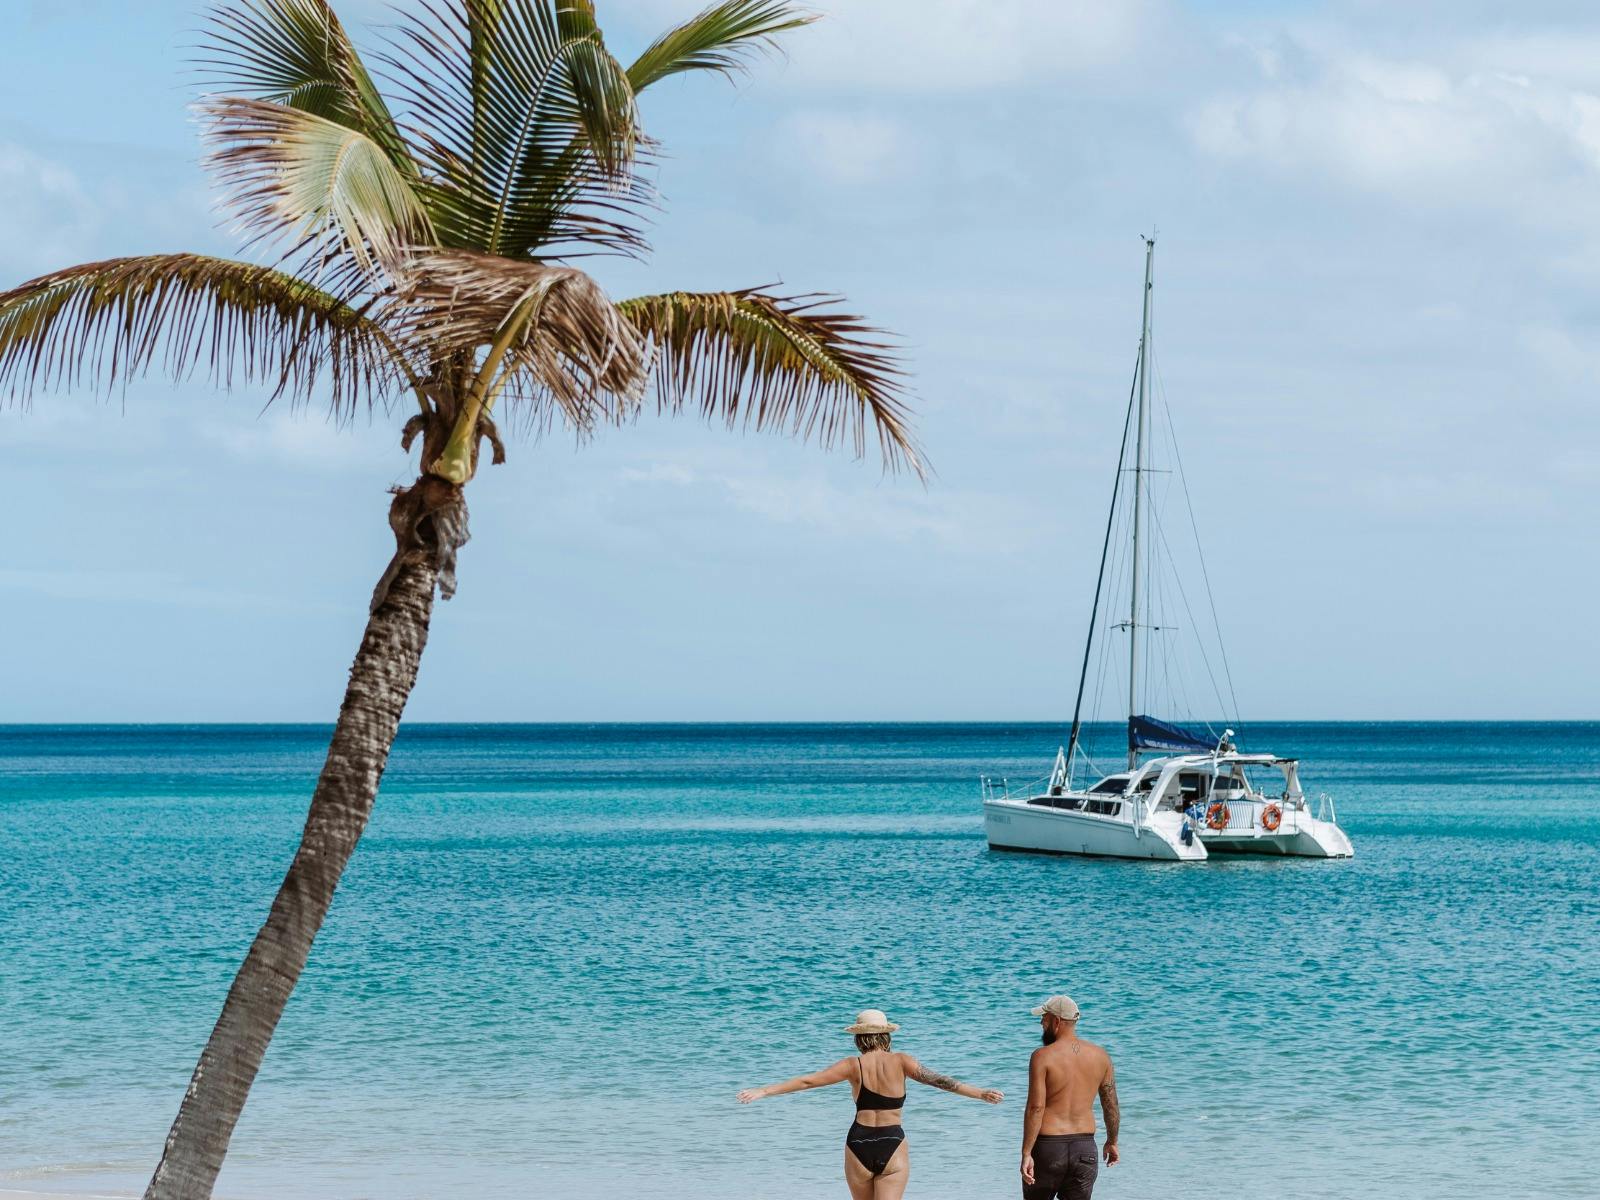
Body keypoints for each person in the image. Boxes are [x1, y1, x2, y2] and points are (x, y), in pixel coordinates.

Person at [737, 1008, 1004, 1199]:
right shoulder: (902, 1061)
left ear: (858, 1038)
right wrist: (980, 1093)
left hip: (858, 1144)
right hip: (892, 1141)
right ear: (886, 1036)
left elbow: (808, 1082)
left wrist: (763, 1091)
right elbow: (941, 1081)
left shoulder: (852, 1065)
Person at [1019, 996, 1119, 1200]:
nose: (1041, 1023)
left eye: (1044, 1018)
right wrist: (1112, 1141)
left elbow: (1036, 1108)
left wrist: (1027, 1153)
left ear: (1056, 1021)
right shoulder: (1101, 1056)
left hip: (1048, 1149)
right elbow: (1111, 1104)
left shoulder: (1042, 1056)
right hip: (1085, 1150)